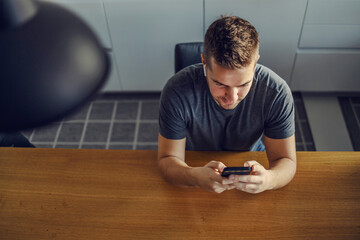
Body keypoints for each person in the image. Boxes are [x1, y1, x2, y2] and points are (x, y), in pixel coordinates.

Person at [157, 16, 296, 194]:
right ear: (204, 62)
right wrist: (195, 177)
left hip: (252, 160)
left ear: (256, 63)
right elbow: (167, 159)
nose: (232, 97)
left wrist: (269, 179)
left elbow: (286, 160)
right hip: (193, 164)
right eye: (220, 84)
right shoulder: (176, 91)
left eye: (243, 85)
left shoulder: (276, 93)